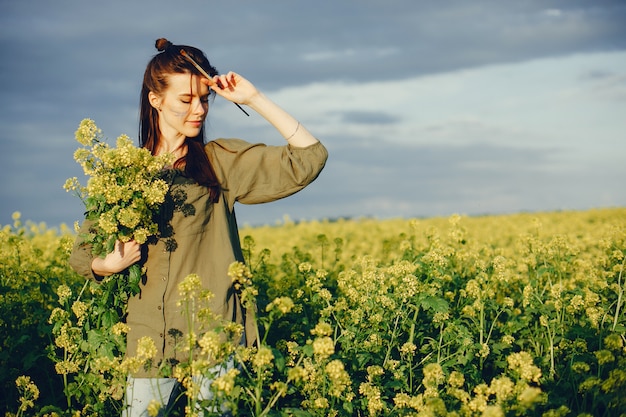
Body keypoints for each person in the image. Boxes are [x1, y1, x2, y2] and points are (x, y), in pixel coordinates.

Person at [69, 38, 328, 416]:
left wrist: (254, 99)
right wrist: (107, 265)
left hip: (213, 337)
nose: (199, 110)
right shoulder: (123, 174)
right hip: (148, 338)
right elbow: (82, 253)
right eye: (186, 100)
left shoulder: (219, 163)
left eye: (204, 99)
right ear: (155, 99)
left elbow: (309, 158)